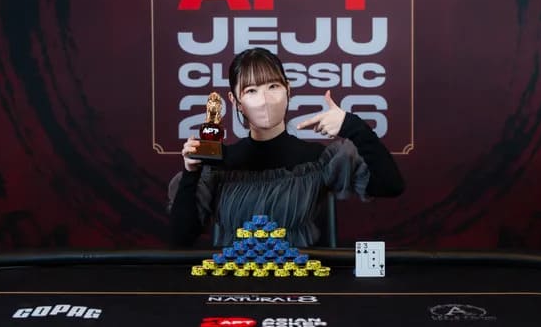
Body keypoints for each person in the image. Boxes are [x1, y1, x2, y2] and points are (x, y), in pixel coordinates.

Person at [167, 48, 404, 247]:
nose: (265, 100)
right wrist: (191, 172)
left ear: (288, 90)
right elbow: (180, 238)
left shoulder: (319, 159)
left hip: (302, 280)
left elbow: (390, 185)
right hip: (232, 281)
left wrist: (352, 125)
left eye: (273, 86)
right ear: (235, 101)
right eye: (251, 90)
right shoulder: (218, 165)